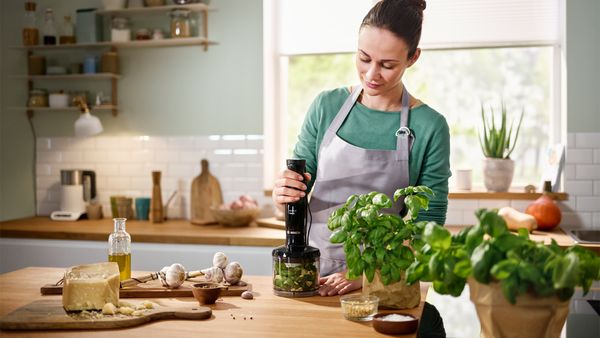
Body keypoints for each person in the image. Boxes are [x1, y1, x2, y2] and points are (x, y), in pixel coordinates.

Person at [272, 0, 450, 298]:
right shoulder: (326, 106)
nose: (371, 74)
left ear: (413, 58)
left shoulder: (430, 126)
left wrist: (367, 272)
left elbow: (428, 225)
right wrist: (284, 196)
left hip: (382, 282)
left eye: (388, 65)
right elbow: (295, 198)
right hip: (309, 275)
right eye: (364, 58)